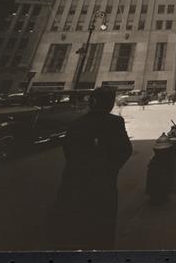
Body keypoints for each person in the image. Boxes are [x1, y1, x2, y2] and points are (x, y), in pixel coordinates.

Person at [49, 86, 132, 250]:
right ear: (110, 104)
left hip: (75, 180)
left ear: (91, 103)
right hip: (102, 182)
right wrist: (111, 168)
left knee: (75, 222)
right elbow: (125, 150)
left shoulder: (77, 123)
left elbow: (69, 151)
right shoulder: (115, 122)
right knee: (102, 225)